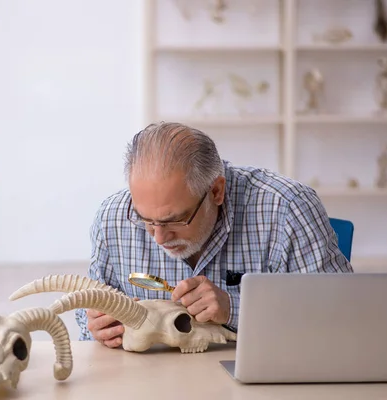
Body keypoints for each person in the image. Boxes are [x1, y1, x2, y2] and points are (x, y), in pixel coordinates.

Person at [74, 121, 353, 348]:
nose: (158, 238)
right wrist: (97, 325)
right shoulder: (113, 217)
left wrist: (235, 309)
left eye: (176, 220)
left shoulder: (286, 208)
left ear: (216, 192)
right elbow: (88, 317)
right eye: (146, 220)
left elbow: (342, 315)